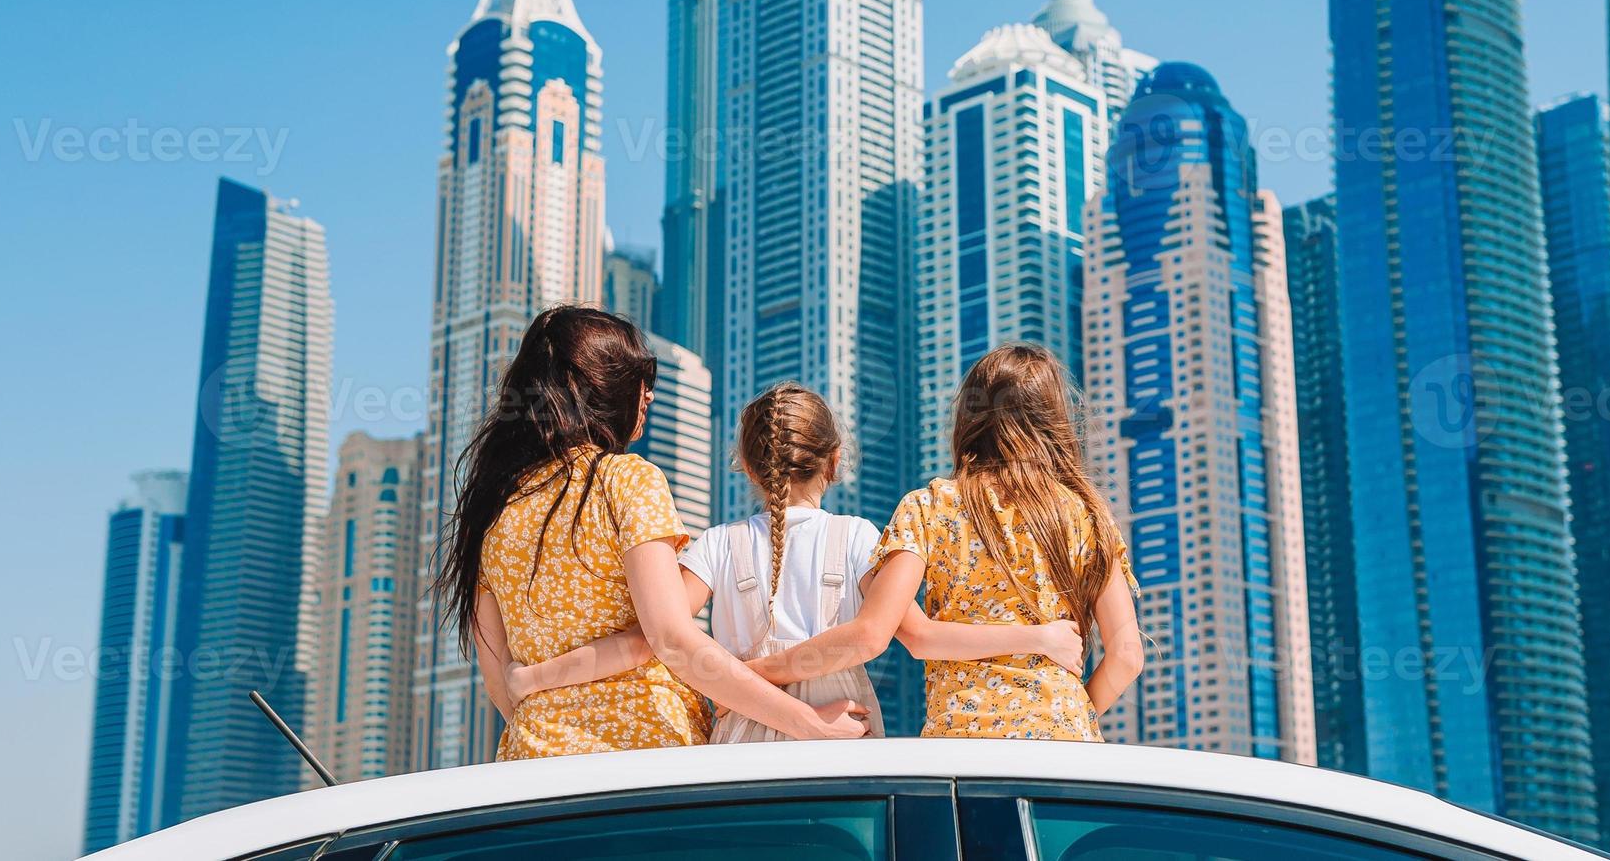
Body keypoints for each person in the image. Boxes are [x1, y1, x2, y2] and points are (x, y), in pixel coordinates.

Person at [507, 382, 1085, 742]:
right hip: (843, 730)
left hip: (739, 728)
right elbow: (912, 635)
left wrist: (536, 676)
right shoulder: (860, 537)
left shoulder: (714, 545)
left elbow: (649, 641)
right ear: (834, 461)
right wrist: (1040, 637)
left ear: (749, 466)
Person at [433, 305, 866, 758]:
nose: (649, 398)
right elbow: (671, 638)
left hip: (533, 764)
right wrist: (807, 723)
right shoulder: (626, 480)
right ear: (603, 388)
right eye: (642, 383)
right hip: (646, 754)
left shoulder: (493, 511)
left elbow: (501, 682)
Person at [763, 343, 1144, 739]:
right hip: (1064, 746)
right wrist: (1070, 713)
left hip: (962, 744)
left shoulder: (930, 506)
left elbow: (910, 635)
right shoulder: (1088, 517)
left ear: (969, 416)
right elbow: (1127, 656)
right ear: (1053, 419)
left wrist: (757, 672)